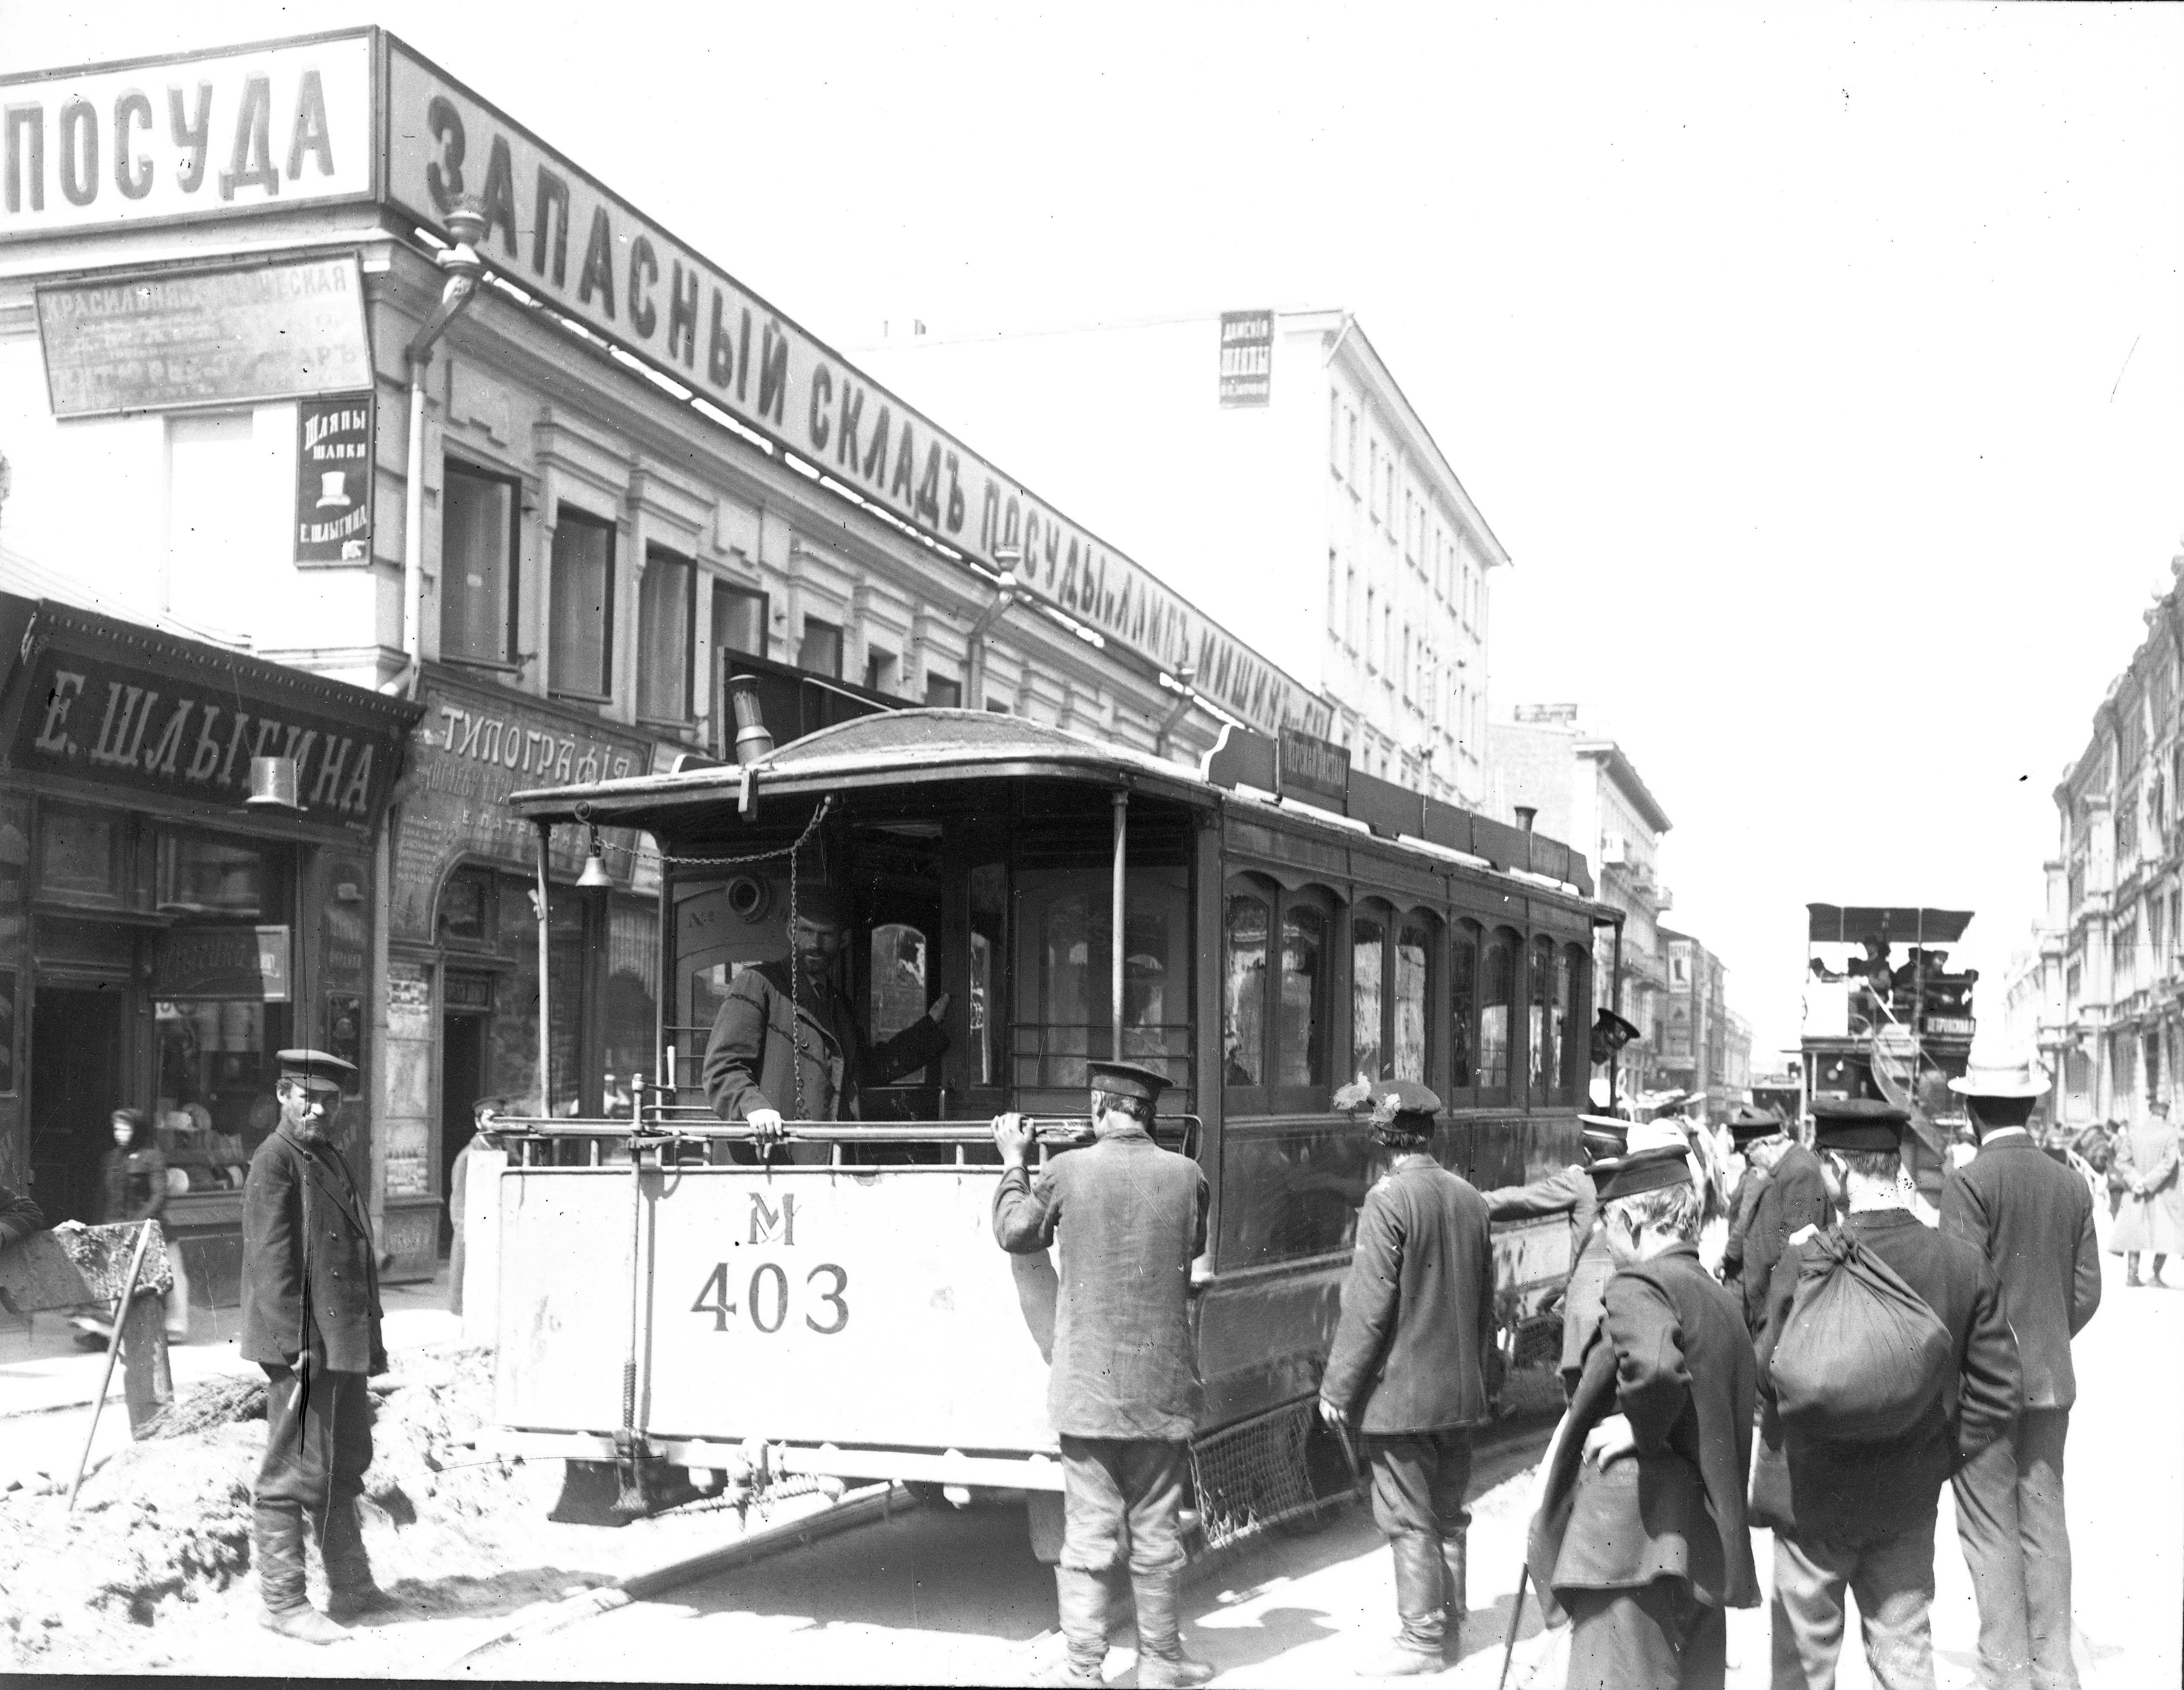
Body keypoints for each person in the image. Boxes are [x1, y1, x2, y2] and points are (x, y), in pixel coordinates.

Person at [1758, 1098, 2021, 1690]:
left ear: (1839, 1170)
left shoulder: (1803, 1259)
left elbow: (1763, 1375)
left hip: (1810, 1498)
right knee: (1904, 1658)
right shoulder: (1959, 1262)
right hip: (1905, 1495)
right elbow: (2000, 1387)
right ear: (1894, 1162)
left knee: (1801, 1668)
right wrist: (1941, 1452)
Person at [990, 1060, 1212, 1689]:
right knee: (1157, 1532)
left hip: (1088, 1390)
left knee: (1087, 1535)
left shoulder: (1065, 1171)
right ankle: (1162, 1664)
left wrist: (1015, 1159)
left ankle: (1085, 1672)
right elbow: (1189, 1247)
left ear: (1096, 1109)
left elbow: (1015, 1231)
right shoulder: (1186, 1175)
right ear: (1149, 1115)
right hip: (1161, 1390)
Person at [1526, 1141, 1759, 1689]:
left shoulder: (1642, 1282)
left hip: (1628, 1549)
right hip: (1698, 1551)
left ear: (1629, 1220)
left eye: (1607, 1221)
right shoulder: (1719, 1299)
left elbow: (1654, 1369)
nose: (1605, 1238)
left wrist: (1640, 1426)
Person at [1318, 1080, 1493, 1676]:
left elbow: (1368, 1307)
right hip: (1459, 1396)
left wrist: (1337, 1388)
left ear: (1382, 1138)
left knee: (1407, 1516)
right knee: (1448, 1513)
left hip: (1402, 1396)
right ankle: (1450, 1633)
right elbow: (1483, 1307)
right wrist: (1482, 1382)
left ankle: (1420, 1641)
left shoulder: (1387, 1200)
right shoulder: (1470, 1198)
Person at [1943, 1054, 2102, 1690]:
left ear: (1970, 1110)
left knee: (1988, 1529)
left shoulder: (1969, 1182)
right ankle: (2055, 1669)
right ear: (2030, 1108)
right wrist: (2045, 1341)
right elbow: (2086, 1289)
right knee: (2044, 1520)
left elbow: (1960, 1291)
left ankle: (2006, 1672)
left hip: (1984, 1390)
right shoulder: (2071, 1183)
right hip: (2050, 1385)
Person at [241, 1049, 396, 1643]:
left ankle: (352, 1586)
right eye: (307, 1095)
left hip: (341, 1337)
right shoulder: (274, 1159)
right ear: (283, 1093)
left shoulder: (327, 1155)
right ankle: (282, 1603)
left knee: (343, 1460)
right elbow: (272, 1260)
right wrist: (295, 1338)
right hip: (305, 1340)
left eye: (330, 1099)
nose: (318, 1107)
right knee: (291, 1471)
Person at [703, 883, 950, 1161]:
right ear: (790, 931)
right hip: (772, 1160)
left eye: (826, 935)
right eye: (805, 931)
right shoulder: (758, 984)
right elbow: (722, 1069)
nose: (815, 944)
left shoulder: (837, 1004)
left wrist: (929, 1029)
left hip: (829, 1161)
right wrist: (753, 1107)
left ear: (843, 941)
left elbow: (867, 1068)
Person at [1480, 1114, 1629, 1399]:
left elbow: (1523, 1200)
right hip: (1633, 1299)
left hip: (1591, 1306)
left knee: (1582, 1398)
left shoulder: (1581, 1182)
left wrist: (1470, 1199)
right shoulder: (1640, 1178)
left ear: (1587, 1154)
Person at [73, 1108, 189, 1347]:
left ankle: (171, 1328)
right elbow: (104, 1196)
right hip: (116, 1230)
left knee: (169, 1276)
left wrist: (139, 1224)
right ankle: (105, 1330)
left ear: (138, 1130)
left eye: (126, 1129)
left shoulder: (153, 1158)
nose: (121, 1135)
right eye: (117, 1129)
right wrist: (100, 1229)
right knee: (111, 1280)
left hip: (150, 1229)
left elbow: (159, 1196)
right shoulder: (111, 1159)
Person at [1734, 1108, 1835, 1338]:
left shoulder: (1800, 1171)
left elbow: (1796, 1250)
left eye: (1749, 1153)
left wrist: (1775, 1312)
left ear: (1766, 1145)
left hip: (1780, 1309)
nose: (1749, 1161)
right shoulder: (1787, 1169)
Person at [2109, 1097, 2182, 1286]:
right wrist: (2149, 1181)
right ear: (2165, 1114)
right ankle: (2155, 1275)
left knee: (2135, 1230)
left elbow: (2121, 1161)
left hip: (2136, 1192)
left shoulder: (2135, 1132)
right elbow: (2169, 1163)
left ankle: (2132, 1276)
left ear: (2151, 1112)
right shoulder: (2170, 1133)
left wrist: (2137, 1181)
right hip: (2162, 1192)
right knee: (2168, 1231)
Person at [447, 1096, 505, 1318]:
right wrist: (467, 1237)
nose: (496, 1124)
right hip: (473, 1236)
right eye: (491, 1119)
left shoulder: (508, 1154)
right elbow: (459, 1206)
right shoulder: (468, 1157)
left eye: (501, 1118)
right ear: (478, 1123)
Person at [1718, 1104, 1778, 1293]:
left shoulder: (1755, 1175)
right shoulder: (1755, 1173)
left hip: (1743, 1270)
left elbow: (1744, 1220)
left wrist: (1725, 1257)